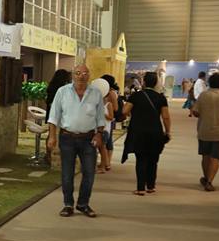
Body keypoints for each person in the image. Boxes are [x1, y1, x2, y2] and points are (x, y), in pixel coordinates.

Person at [46, 64, 107, 218]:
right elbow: (53, 116)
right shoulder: (62, 92)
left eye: (85, 73)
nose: (81, 76)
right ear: (73, 75)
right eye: (78, 73)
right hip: (67, 138)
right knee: (67, 173)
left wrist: (99, 134)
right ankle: (68, 204)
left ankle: (83, 204)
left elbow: (100, 117)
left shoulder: (96, 93)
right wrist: (52, 136)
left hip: (88, 139)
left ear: (89, 75)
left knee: (89, 173)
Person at [121, 72, 170, 195]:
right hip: (155, 132)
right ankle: (151, 186)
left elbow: (124, 111)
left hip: (138, 132)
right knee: (153, 160)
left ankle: (140, 188)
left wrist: (135, 113)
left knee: (141, 159)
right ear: (156, 83)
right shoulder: (161, 98)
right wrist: (168, 131)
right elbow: (166, 117)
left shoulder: (136, 96)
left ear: (144, 82)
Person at [191, 72, 219, 191]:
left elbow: (195, 112)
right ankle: (209, 182)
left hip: (204, 130)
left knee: (205, 156)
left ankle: (206, 178)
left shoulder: (203, 95)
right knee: (215, 157)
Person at [97, 74, 119, 174]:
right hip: (101, 124)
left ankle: (106, 163)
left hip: (107, 123)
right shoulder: (100, 95)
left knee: (105, 144)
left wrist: (105, 112)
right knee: (104, 144)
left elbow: (115, 108)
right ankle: (105, 163)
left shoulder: (111, 94)